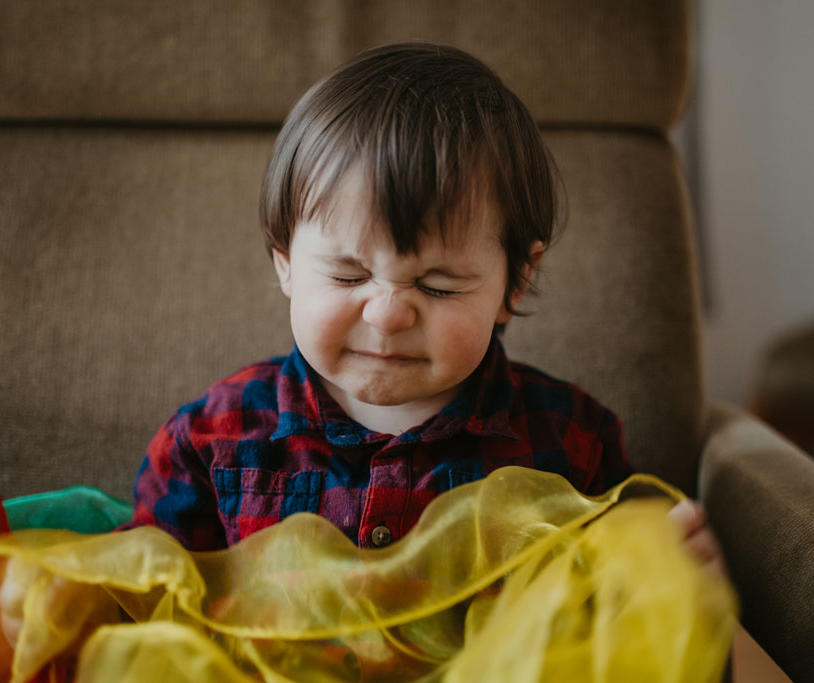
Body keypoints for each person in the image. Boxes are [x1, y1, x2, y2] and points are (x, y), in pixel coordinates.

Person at [127, 42, 722, 569]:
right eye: (347, 273)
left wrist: (659, 582)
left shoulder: (571, 444)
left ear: (515, 282)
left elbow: (613, 627)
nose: (387, 315)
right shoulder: (212, 438)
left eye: (437, 286)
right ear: (284, 261)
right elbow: (135, 600)